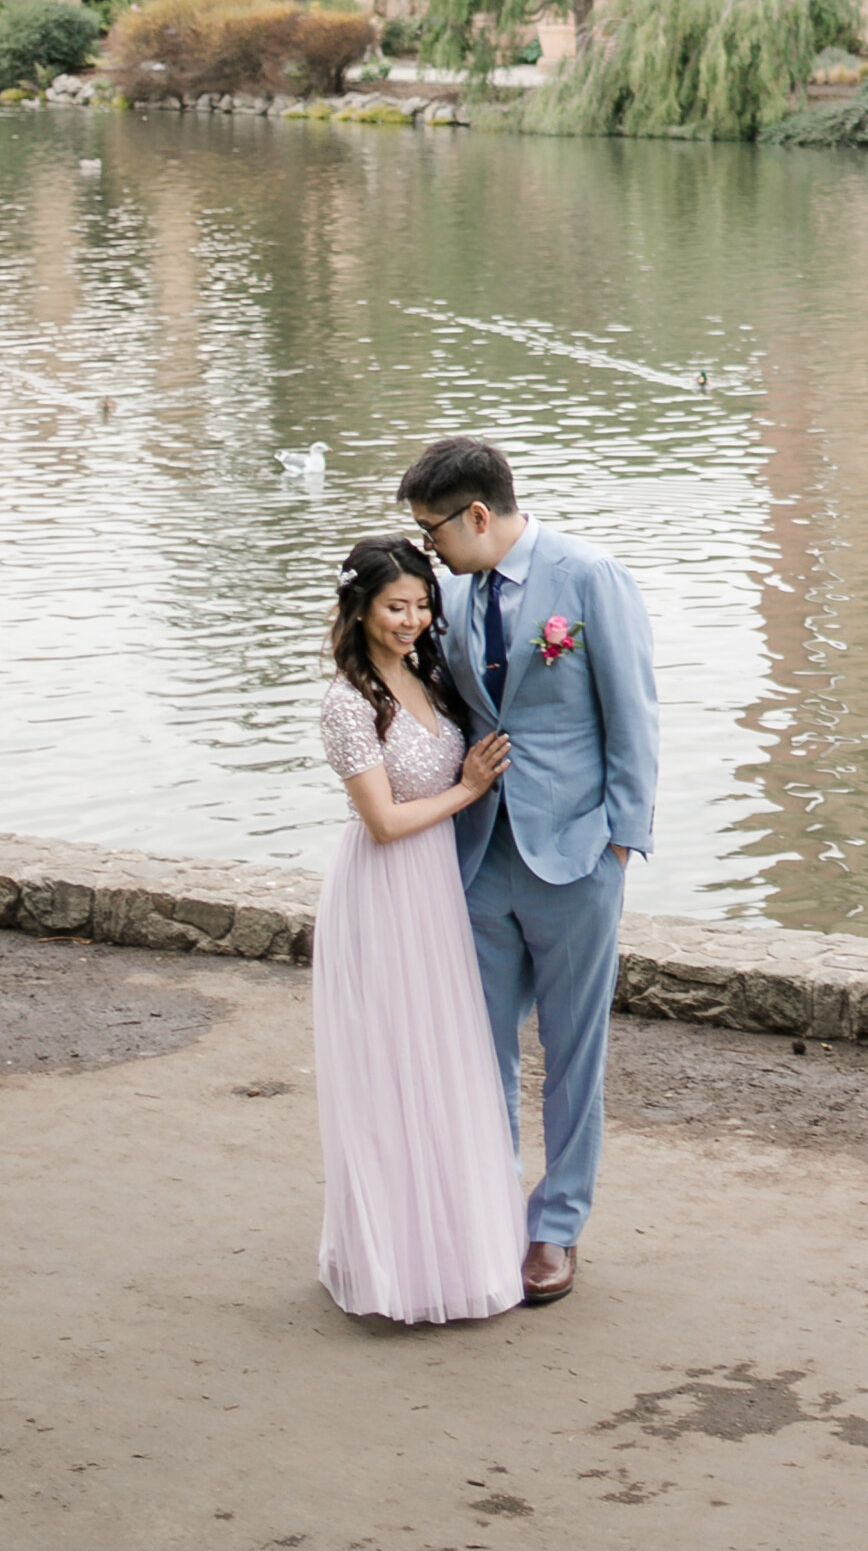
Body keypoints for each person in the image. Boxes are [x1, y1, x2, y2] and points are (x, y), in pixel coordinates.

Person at [397, 435, 659, 1309]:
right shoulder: (452, 595)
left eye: (434, 531)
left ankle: (556, 1227)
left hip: (576, 856)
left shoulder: (590, 578)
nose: (429, 548)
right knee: (479, 1052)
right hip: (478, 855)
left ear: (478, 514)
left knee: (574, 1052)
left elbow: (634, 715)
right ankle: (489, 1213)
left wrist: (620, 842)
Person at [312, 535, 526, 1325]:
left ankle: (457, 1249)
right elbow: (383, 821)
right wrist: (468, 789)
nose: (411, 620)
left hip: (437, 888)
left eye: (421, 605)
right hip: (384, 889)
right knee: (393, 1069)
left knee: (446, 1060)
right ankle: (393, 1265)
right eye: (394, 607)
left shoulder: (429, 675)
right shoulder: (348, 702)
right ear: (359, 609)